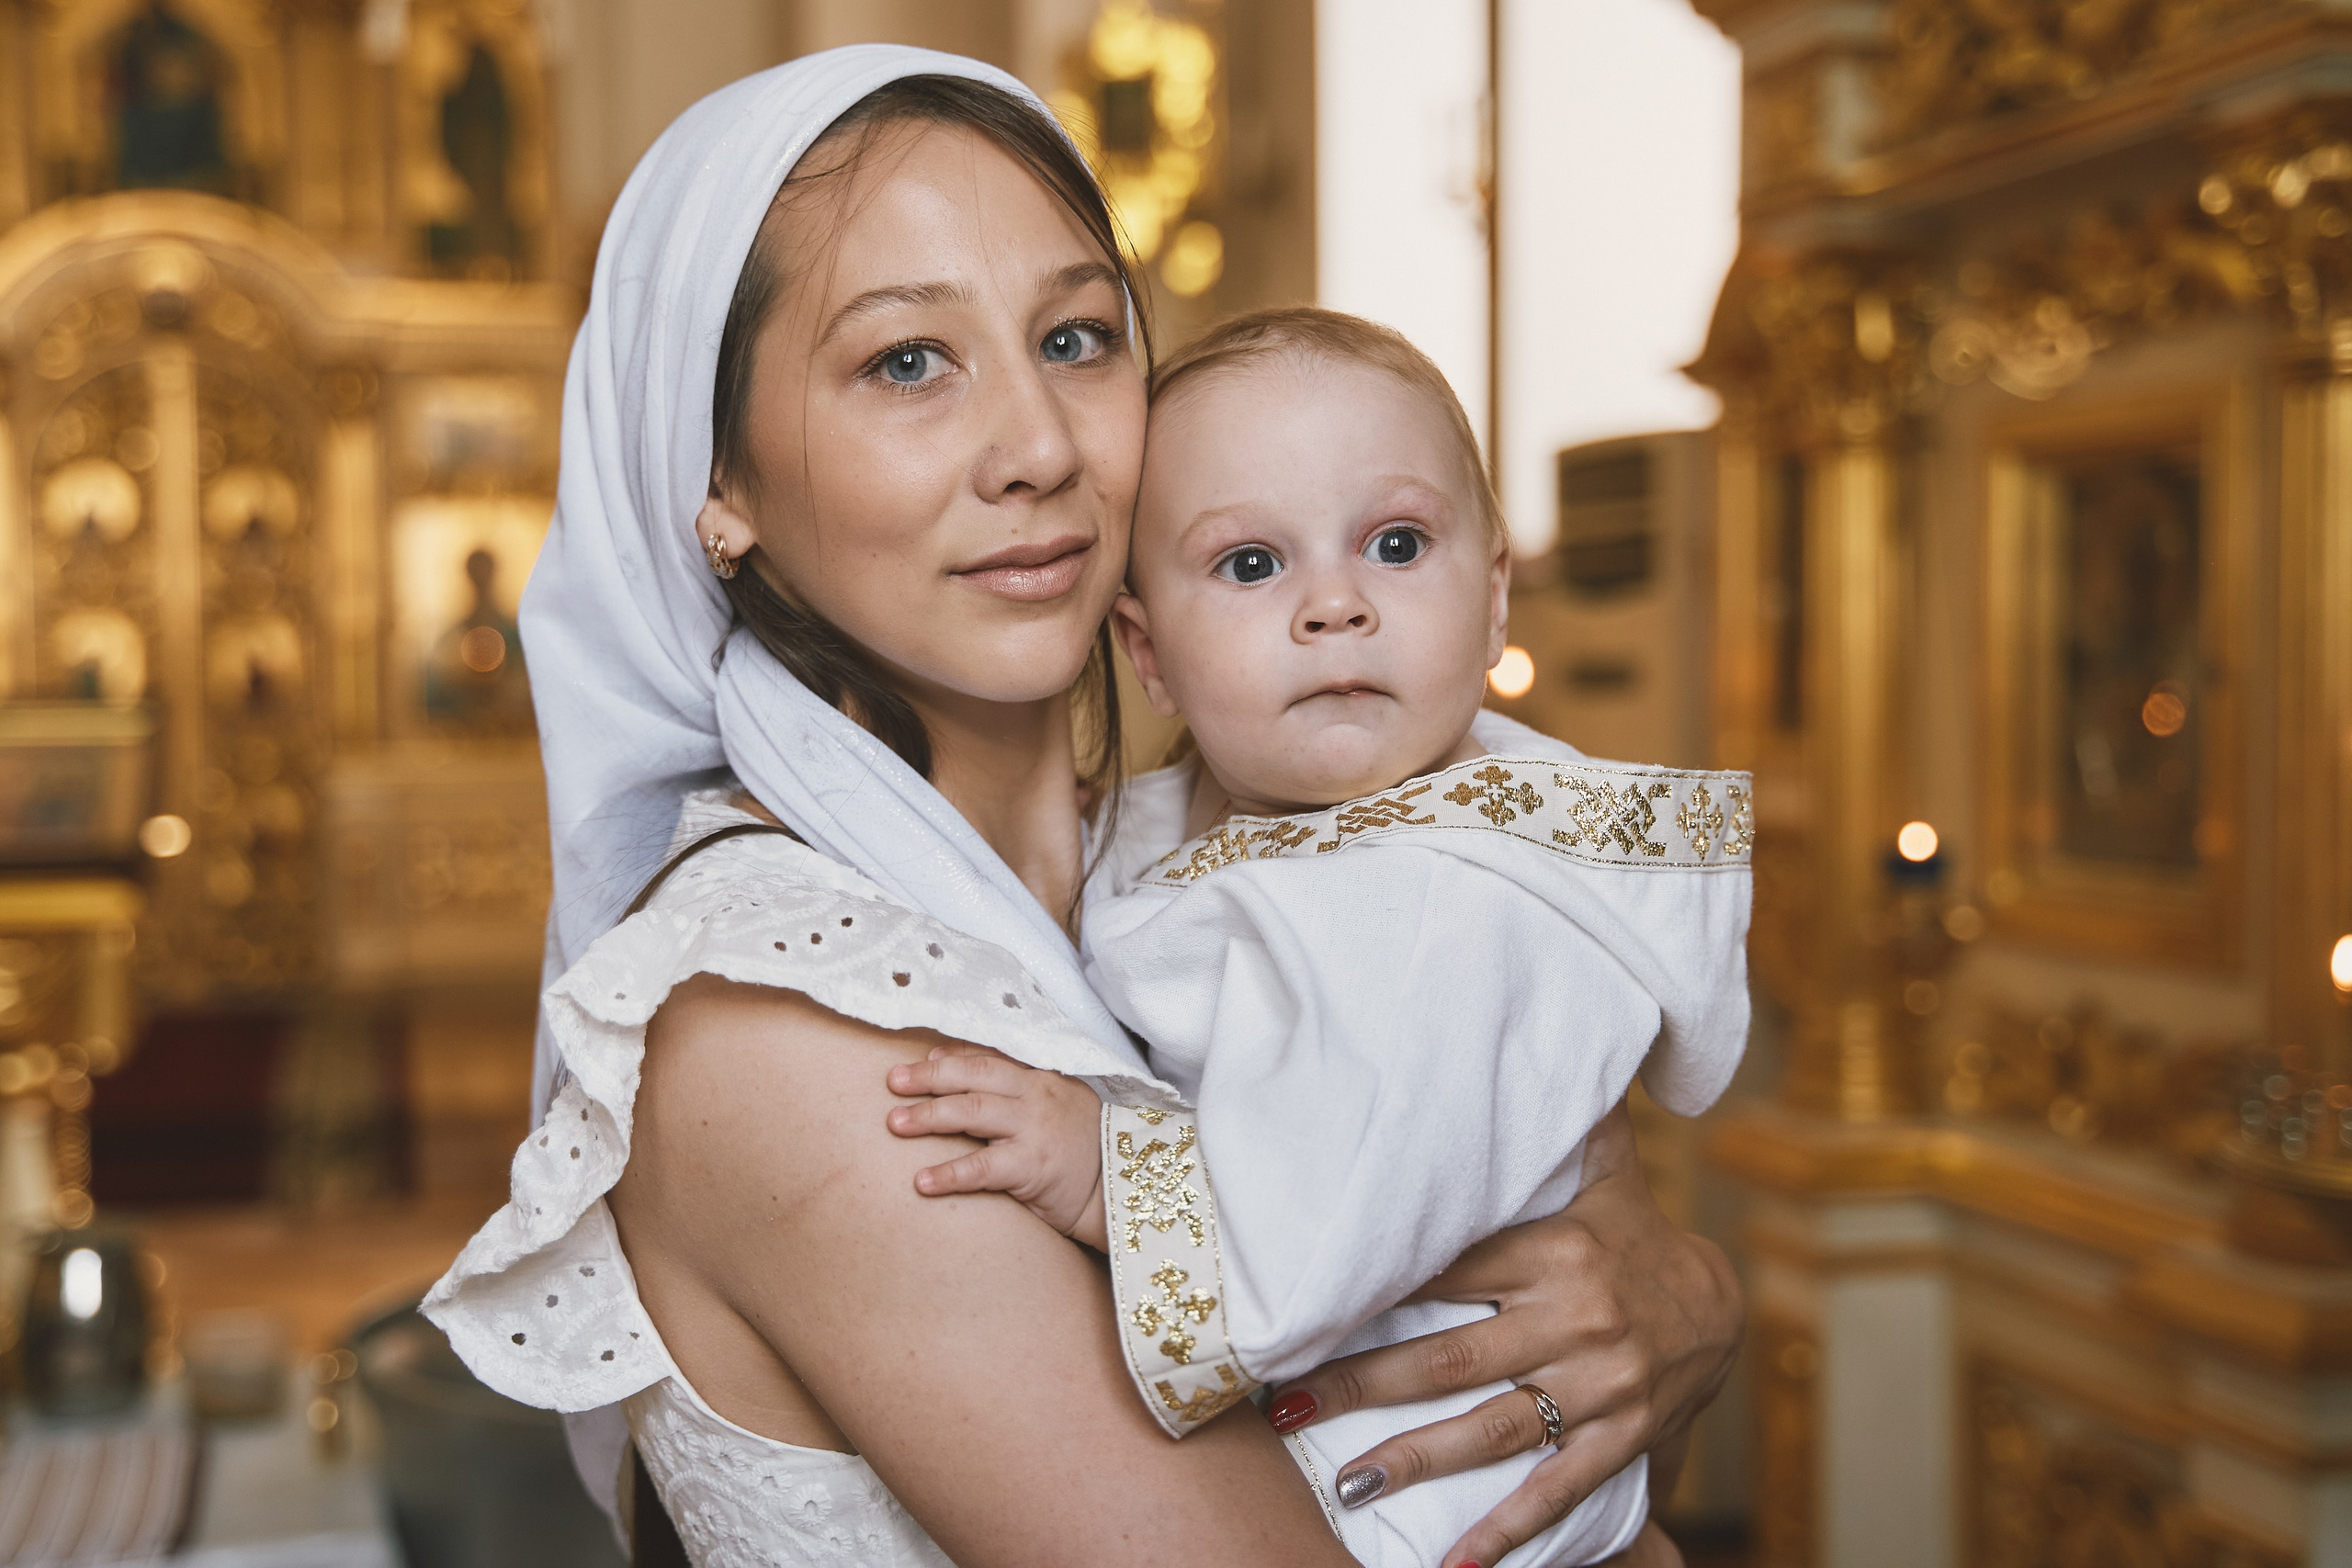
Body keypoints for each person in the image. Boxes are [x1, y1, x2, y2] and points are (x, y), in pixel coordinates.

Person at [423, 45, 1742, 1568]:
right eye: (907, 362)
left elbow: (1540, 1286)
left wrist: (1675, 1300)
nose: (1042, 450)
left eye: (1076, 337)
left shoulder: (1297, 854)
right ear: (713, 481)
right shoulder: (784, 1026)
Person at [882, 308, 1753, 1568]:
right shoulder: (1217, 817)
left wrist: (1092, 1169)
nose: (1336, 605)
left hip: (1434, 1484)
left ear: (1496, 598)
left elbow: (1303, 1258)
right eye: (1250, 566)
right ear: (1149, 651)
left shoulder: (1442, 910)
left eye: (1396, 545)